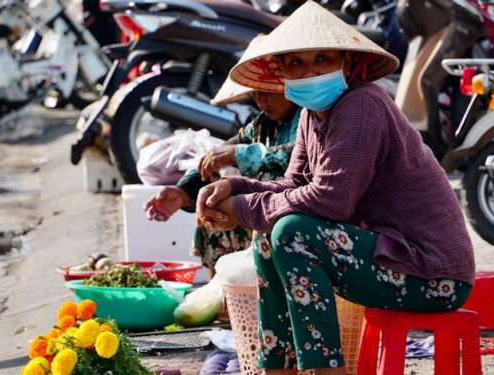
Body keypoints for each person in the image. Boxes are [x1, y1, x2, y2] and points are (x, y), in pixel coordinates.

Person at [195, 2, 475, 374]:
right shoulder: (314, 115)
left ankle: (327, 370)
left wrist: (242, 208)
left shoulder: (361, 105)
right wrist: (233, 185)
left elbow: (330, 200)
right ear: (282, 70)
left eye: (322, 58)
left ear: (345, 62)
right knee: (268, 238)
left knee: (293, 232)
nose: (309, 70)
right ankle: (279, 367)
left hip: (432, 274)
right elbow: (293, 186)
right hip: (392, 257)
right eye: (296, 62)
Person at [144, 37, 302, 276]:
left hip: (297, 206)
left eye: (267, 92)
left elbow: (300, 154)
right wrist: (183, 191)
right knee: (212, 204)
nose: (262, 101)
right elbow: (217, 156)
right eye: (256, 95)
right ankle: (222, 291)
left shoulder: (307, 115)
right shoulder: (261, 124)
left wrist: (238, 155)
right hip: (267, 205)